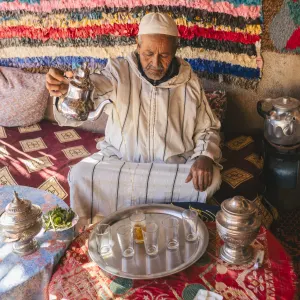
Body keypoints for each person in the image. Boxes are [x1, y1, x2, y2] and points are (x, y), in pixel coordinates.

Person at [46, 13, 222, 223]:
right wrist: (70, 90)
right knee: (81, 174)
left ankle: (159, 221)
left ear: (175, 50)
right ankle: (96, 230)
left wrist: (205, 156)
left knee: (211, 180)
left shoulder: (189, 81)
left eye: (164, 55)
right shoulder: (118, 72)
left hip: (170, 168)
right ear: (138, 46)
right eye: (148, 53)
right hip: (122, 163)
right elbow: (95, 87)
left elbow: (208, 128)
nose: (155, 63)